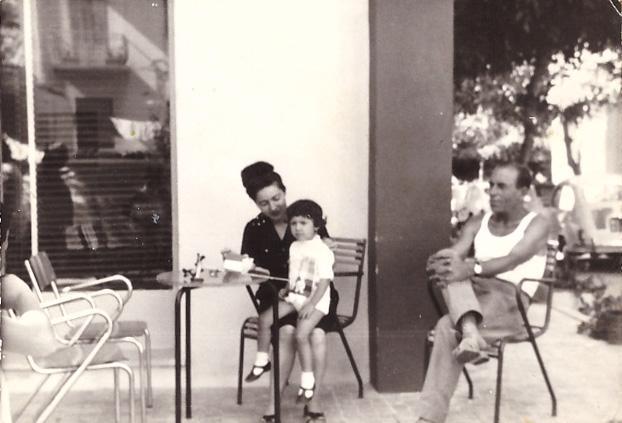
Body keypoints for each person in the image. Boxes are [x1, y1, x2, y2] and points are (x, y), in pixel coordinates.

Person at [417, 162, 551, 423]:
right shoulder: (480, 221)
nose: (493, 192)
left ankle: (429, 418)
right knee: (449, 271)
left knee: (446, 326)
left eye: (502, 186)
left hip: (511, 299)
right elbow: (457, 252)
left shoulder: (536, 224)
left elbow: (513, 259)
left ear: (523, 191)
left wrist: (470, 267)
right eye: (491, 185)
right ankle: (471, 334)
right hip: (474, 295)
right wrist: (442, 260)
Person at [238, 162, 337, 422]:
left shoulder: (305, 217)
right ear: (255, 204)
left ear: (284, 191)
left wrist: (329, 247)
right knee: (286, 332)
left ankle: (313, 402)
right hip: (278, 296)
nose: (273, 207)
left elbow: (325, 263)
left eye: (276, 198)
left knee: (316, 334)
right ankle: (273, 406)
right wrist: (255, 271)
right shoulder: (254, 228)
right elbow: (248, 267)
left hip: (315, 297)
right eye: (264, 203)